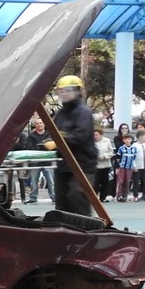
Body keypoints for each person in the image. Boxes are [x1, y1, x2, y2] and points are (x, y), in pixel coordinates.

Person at [52, 75, 97, 215]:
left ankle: (85, 231)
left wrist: (57, 141)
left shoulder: (83, 113)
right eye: (60, 91)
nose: (63, 93)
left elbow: (80, 137)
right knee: (61, 201)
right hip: (63, 164)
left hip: (82, 164)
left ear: (78, 91)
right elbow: (53, 132)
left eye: (67, 90)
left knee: (76, 197)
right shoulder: (60, 113)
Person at [24, 116, 56, 204]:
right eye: (37, 123)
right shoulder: (31, 136)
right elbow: (28, 147)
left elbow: (53, 147)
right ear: (35, 125)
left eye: (41, 123)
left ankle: (54, 197)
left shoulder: (50, 135)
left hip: (48, 162)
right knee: (33, 182)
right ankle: (33, 198)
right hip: (35, 162)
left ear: (44, 124)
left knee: (51, 181)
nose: (39, 125)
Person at [93, 129, 114, 202]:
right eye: (94, 135)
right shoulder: (91, 142)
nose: (95, 136)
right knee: (95, 183)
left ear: (101, 135)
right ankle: (94, 198)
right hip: (96, 165)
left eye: (97, 135)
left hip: (106, 165)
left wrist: (105, 156)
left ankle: (103, 197)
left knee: (105, 182)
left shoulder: (107, 141)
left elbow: (111, 152)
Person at [114, 133, 137, 202]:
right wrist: (117, 167)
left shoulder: (134, 149)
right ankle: (118, 195)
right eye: (125, 139)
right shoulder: (121, 148)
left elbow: (134, 158)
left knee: (127, 181)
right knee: (120, 181)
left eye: (129, 139)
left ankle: (125, 195)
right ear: (123, 140)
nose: (127, 140)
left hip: (129, 167)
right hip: (122, 167)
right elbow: (117, 158)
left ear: (131, 140)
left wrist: (134, 166)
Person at [133, 127, 145, 201]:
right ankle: (135, 196)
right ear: (140, 137)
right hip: (137, 167)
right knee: (136, 182)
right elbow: (133, 157)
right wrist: (134, 166)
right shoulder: (134, 145)